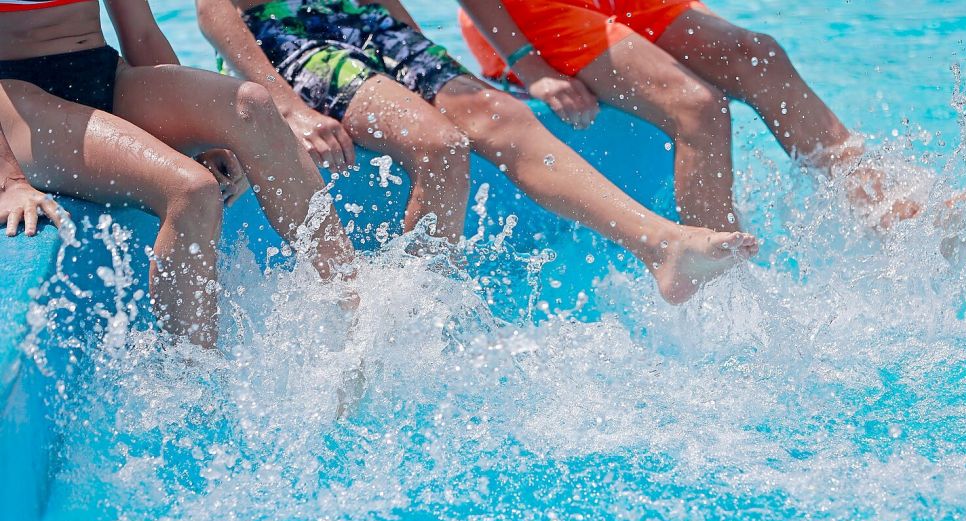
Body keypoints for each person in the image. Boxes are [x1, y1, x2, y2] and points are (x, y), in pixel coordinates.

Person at [196, 0, 759, 305]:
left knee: (502, 116)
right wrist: (285, 105)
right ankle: (407, 326)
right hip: (284, 33)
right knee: (440, 146)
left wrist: (423, 54)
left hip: (369, 21)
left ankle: (662, 245)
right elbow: (212, 11)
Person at [0, 0, 357, 348]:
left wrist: (199, 136)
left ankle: (352, 305)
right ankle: (192, 385)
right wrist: (9, 181)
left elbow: (140, 33)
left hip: (101, 70)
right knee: (191, 190)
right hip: (17, 97)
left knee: (253, 106)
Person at [458, 0, 923, 232]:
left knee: (756, 53)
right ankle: (717, 282)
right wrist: (527, 63)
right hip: (525, 12)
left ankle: (891, 211)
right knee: (696, 106)